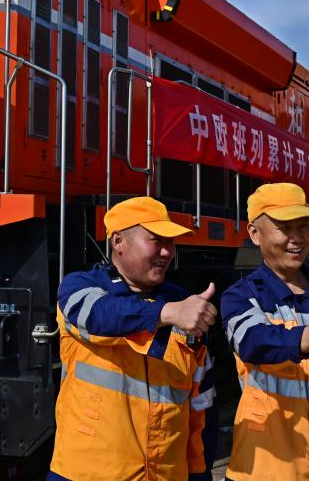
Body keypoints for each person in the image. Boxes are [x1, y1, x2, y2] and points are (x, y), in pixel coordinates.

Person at [48, 196, 217, 481]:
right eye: (156, 240)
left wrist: (201, 473)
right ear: (118, 241)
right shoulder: (79, 288)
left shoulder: (181, 302)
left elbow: (202, 403)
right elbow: (101, 316)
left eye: (170, 242)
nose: (167, 251)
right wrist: (167, 313)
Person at [221, 183, 309, 481]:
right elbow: (251, 342)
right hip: (268, 471)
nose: (296, 238)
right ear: (254, 233)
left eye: (304, 226)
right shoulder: (240, 296)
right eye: (284, 228)